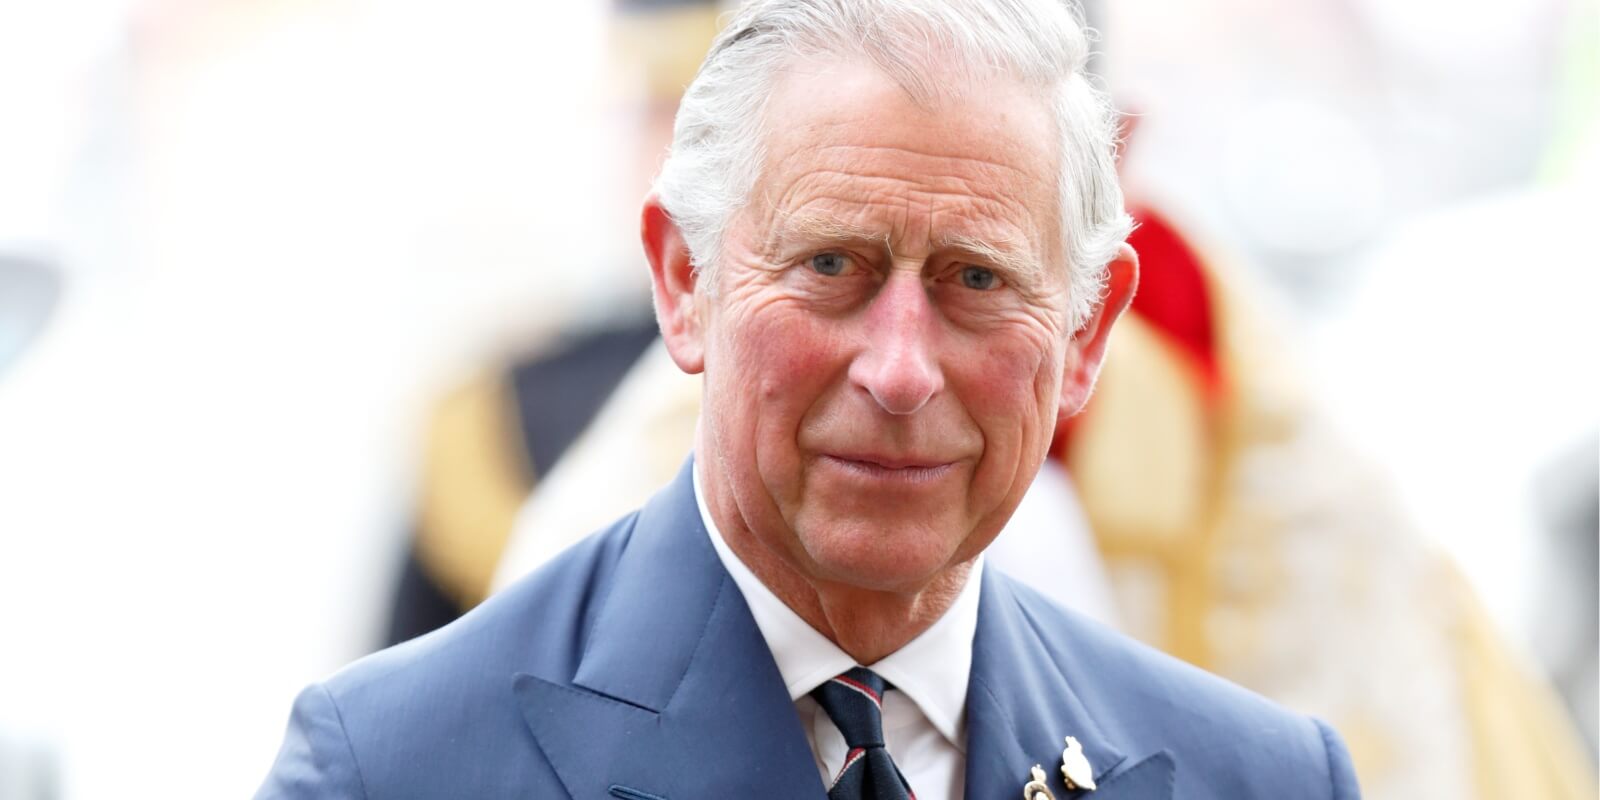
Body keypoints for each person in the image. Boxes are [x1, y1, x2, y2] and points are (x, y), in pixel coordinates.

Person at [258, 1, 1360, 797]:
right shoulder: (393, 766)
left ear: (1083, 331)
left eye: (975, 279)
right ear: (685, 280)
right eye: (832, 266)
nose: (899, 369)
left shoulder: (1261, 778)